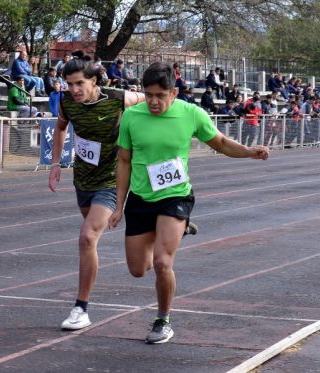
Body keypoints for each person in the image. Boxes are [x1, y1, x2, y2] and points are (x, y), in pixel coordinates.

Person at [108, 62, 269, 344]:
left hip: (176, 195)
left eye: (160, 95)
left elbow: (219, 142)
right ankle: (179, 228)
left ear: (175, 92)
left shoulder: (191, 113)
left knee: (161, 263)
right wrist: (119, 206)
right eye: (149, 95)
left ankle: (163, 320)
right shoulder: (132, 117)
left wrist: (248, 152)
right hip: (141, 197)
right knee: (137, 269)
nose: (154, 102)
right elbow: (123, 161)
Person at [47, 50, 147, 331]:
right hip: (84, 180)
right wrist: (56, 163)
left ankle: (81, 308)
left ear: (94, 82)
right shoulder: (68, 103)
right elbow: (60, 129)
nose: (74, 90)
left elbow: (152, 101)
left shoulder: (118, 98)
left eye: (80, 83)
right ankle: (149, 230)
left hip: (111, 180)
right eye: (69, 84)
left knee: (87, 237)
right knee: (89, 240)